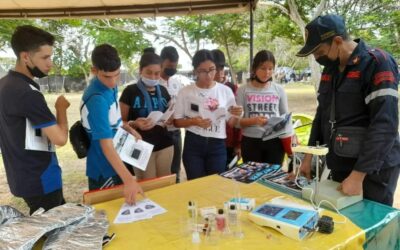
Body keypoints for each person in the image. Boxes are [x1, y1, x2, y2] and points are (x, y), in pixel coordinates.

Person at [297, 14, 400, 206]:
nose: (316, 57)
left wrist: (358, 176)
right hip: (341, 163)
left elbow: (385, 124)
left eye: (319, 51)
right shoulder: (331, 69)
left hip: (373, 170)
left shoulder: (377, 63)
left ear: (337, 41)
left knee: (370, 226)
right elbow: (322, 114)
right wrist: (308, 156)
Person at [0, 25, 70, 214]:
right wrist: (61, 109)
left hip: (21, 175)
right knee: (55, 234)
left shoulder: (5, 84)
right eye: (45, 57)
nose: (50, 63)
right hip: (41, 177)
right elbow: (60, 139)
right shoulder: (27, 93)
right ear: (25, 57)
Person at [81, 44, 143, 205]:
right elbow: (106, 145)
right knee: (109, 214)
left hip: (117, 159)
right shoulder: (97, 99)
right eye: (107, 77)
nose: (113, 82)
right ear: (94, 70)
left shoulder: (110, 88)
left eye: (116, 75)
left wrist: (128, 128)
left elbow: (113, 121)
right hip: (104, 167)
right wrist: (129, 180)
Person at [174, 49, 242, 180]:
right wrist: (193, 121)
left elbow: (232, 122)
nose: (209, 75)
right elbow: (177, 121)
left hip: (217, 145)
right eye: (203, 71)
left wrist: (238, 114)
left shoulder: (225, 91)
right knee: (196, 184)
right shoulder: (186, 92)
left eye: (212, 69)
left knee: (215, 185)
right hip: (194, 144)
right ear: (195, 71)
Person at [120, 49, 174, 180]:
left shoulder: (163, 90)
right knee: (146, 186)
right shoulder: (130, 91)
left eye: (157, 73)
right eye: (149, 73)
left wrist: (169, 119)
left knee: (164, 185)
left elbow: (170, 115)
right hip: (139, 144)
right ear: (140, 70)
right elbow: (120, 122)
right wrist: (135, 123)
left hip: (164, 144)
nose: (153, 77)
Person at [236, 50, 291, 165]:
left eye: (270, 68)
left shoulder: (279, 90)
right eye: (263, 68)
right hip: (251, 142)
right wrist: (254, 121)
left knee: (272, 178)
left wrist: (290, 139)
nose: (267, 72)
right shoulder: (243, 90)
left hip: (275, 142)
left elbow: (285, 119)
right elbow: (236, 122)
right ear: (254, 69)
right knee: (251, 178)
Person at [211, 49, 242, 167]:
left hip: (229, 143)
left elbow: (238, 117)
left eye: (221, 68)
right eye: (215, 69)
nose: (219, 72)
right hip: (211, 142)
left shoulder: (233, 89)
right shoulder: (203, 89)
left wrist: (238, 144)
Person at [159, 46, 184, 182]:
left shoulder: (177, 83)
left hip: (176, 132)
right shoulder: (155, 82)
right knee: (162, 172)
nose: (172, 69)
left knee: (175, 170)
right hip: (160, 133)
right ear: (161, 62)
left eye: (174, 66)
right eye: (169, 66)